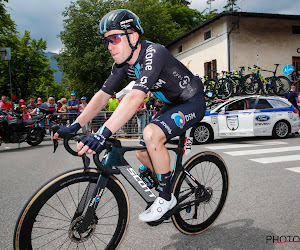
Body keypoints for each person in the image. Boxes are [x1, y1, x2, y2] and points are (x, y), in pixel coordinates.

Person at [54, 9, 205, 222]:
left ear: (132, 36)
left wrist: (101, 134)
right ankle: (169, 185)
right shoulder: (123, 65)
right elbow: (102, 96)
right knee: (143, 152)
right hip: (172, 104)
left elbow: (135, 98)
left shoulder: (154, 52)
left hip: (192, 101)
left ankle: (166, 197)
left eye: (114, 38)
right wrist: (75, 126)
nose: (109, 46)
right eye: (106, 41)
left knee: (151, 134)